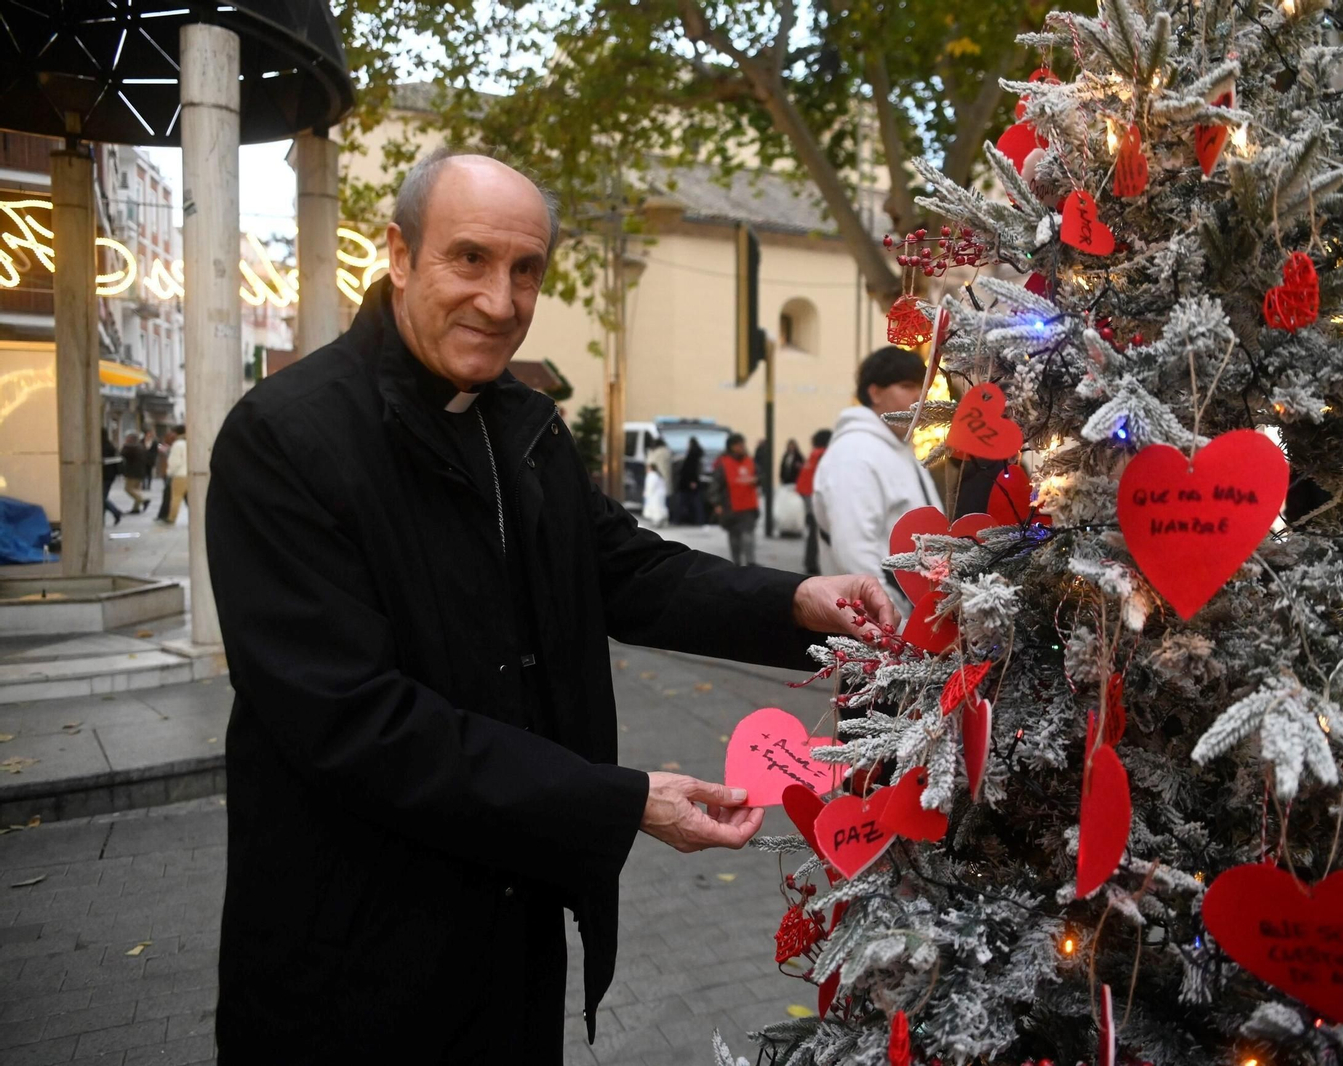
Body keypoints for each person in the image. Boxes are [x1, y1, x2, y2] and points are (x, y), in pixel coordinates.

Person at [205, 147, 895, 1064]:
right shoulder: (283, 438)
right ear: (400, 255)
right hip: (350, 955)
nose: (501, 301)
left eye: (526, 270)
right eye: (471, 259)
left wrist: (798, 600)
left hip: (508, 932)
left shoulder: (518, 423)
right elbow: (354, 723)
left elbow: (626, 570)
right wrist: (618, 803)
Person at [813, 346, 941, 615]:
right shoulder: (854, 454)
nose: (919, 396)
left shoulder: (898, 450)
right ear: (875, 393)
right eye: (907, 386)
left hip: (919, 619)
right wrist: (898, 626)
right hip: (883, 629)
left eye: (922, 386)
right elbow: (856, 554)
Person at [710, 432, 761, 565]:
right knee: (735, 537)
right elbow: (716, 484)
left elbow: (760, 476)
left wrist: (757, 480)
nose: (742, 447)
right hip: (730, 506)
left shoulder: (750, 461)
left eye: (742, 444)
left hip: (749, 505)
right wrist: (717, 503)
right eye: (738, 445)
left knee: (748, 535)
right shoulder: (723, 463)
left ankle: (751, 562)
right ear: (731, 447)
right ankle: (736, 563)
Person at [798, 429, 830, 575]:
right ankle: (812, 564)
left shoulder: (814, 454)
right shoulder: (824, 454)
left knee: (812, 531)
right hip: (815, 497)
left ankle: (810, 562)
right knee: (816, 533)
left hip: (807, 495)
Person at [641, 434, 670, 527]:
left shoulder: (654, 453)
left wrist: (646, 493)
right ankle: (665, 520)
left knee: (656, 506)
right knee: (663, 504)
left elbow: (650, 462)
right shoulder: (667, 451)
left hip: (656, 483)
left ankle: (657, 521)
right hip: (664, 480)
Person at [677, 436, 707, 526]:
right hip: (692, 482)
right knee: (696, 503)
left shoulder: (692, 455)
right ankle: (698, 520)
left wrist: (692, 481)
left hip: (688, 483)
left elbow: (690, 470)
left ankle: (679, 520)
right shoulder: (697, 455)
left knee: (685, 502)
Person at [161, 424, 188, 524]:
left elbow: (174, 462)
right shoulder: (189, 442)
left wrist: (169, 472)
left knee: (176, 497)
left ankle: (172, 518)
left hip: (180, 475)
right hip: (190, 474)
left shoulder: (178, 444)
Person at [120, 432, 149, 514]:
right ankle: (136, 508)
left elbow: (122, 454)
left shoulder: (131, 448)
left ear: (130, 439)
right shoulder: (141, 446)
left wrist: (125, 445)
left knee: (128, 489)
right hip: (141, 472)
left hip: (132, 473)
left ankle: (143, 500)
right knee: (137, 490)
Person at [101, 428, 123, 525]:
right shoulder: (109, 445)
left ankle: (116, 512)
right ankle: (102, 519)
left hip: (105, 476)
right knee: (102, 498)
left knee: (101, 498)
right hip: (109, 476)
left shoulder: (103, 447)